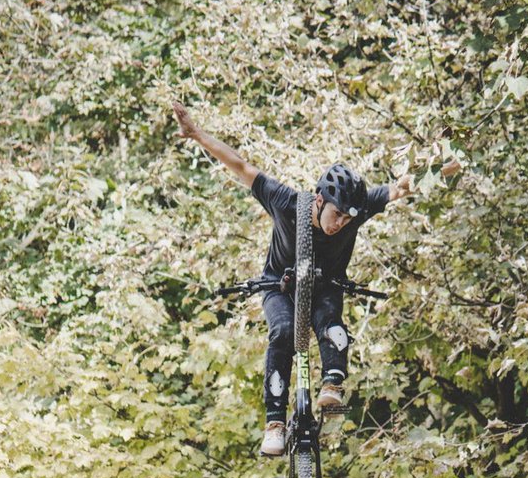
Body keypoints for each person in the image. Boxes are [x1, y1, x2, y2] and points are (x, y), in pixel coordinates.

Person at [172, 100, 460, 457]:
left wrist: (448, 166)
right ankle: (275, 422)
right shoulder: (286, 203)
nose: (340, 224)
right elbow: (242, 166)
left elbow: (400, 188)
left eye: (347, 219)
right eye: (336, 214)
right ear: (320, 200)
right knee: (281, 332)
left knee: (330, 323)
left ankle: (333, 388)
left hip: (326, 287)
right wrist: (197, 133)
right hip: (278, 286)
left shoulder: (354, 211)